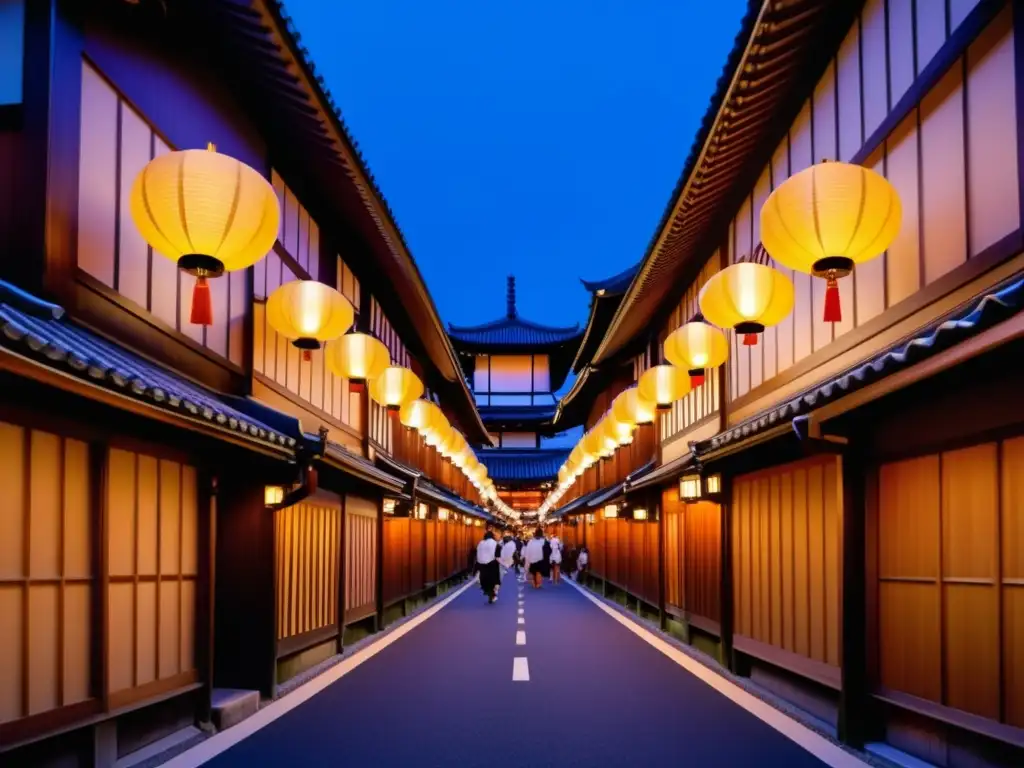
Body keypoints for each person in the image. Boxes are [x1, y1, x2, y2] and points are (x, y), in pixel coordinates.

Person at [476, 530, 501, 603]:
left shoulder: (481, 543)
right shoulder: (494, 543)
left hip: (482, 564)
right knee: (493, 580)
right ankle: (493, 594)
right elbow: (498, 555)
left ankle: (490, 593)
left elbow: (478, 553)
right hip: (492, 564)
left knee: (484, 579)